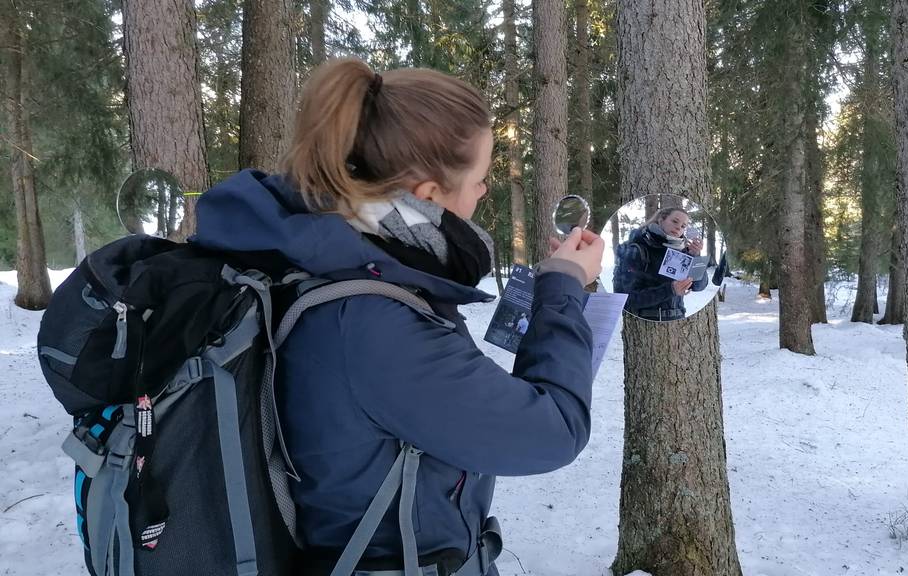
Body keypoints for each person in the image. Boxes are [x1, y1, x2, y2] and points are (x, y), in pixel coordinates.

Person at [191, 58, 604, 576]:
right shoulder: (370, 322)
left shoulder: (337, 259)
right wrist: (563, 286)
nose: (484, 190)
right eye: (481, 175)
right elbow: (553, 432)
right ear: (430, 195)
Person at [612, 206, 708, 321]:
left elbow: (698, 286)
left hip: (678, 322)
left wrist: (695, 256)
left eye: (683, 226)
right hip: (645, 323)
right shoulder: (637, 250)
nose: (678, 228)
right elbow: (626, 300)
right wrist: (670, 289)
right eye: (675, 221)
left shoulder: (682, 251)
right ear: (661, 219)